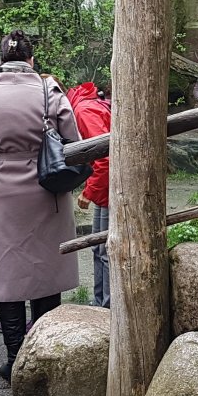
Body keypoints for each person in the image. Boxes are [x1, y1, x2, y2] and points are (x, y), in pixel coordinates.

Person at [0, 31, 80, 380]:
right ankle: (43, 356)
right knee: (47, 275)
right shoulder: (51, 93)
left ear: (1, 61)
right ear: (32, 60)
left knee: (8, 278)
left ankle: (15, 359)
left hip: (5, 193)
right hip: (48, 192)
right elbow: (74, 144)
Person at [68, 81, 111, 308]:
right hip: (106, 190)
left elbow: (104, 158)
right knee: (99, 247)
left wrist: (88, 192)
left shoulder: (84, 111)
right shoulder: (86, 105)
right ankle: (100, 303)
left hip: (109, 190)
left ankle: (107, 307)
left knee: (106, 251)